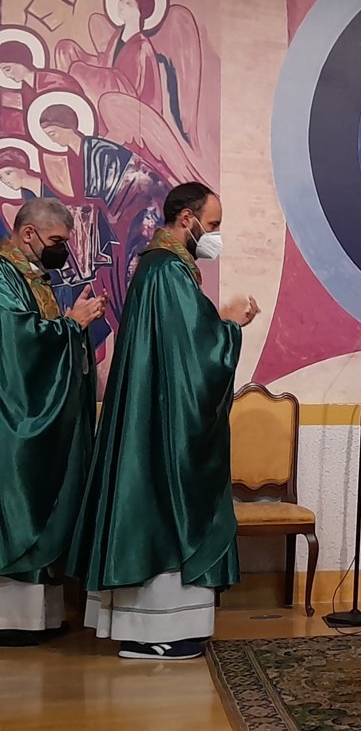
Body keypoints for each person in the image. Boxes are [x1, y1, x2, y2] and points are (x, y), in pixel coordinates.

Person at [68, 182, 259, 660]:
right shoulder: (168, 271)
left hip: (154, 413)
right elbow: (197, 355)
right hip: (164, 422)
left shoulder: (160, 267)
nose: (216, 235)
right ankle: (152, 632)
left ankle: (161, 628)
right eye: (213, 225)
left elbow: (181, 346)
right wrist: (230, 326)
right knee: (169, 508)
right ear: (186, 220)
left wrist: (218, 327)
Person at [0, 198, 106, 645]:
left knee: (46, 502)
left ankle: (41, 619)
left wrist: (70, 325)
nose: (61, 250)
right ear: (28, 234)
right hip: (13, 420)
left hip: (33, 414)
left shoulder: (32, 276)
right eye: (57, 240)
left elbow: (45, 336)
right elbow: (17, 342)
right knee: (19, 505)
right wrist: (70, 326)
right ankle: (11, 620)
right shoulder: (3, 276)